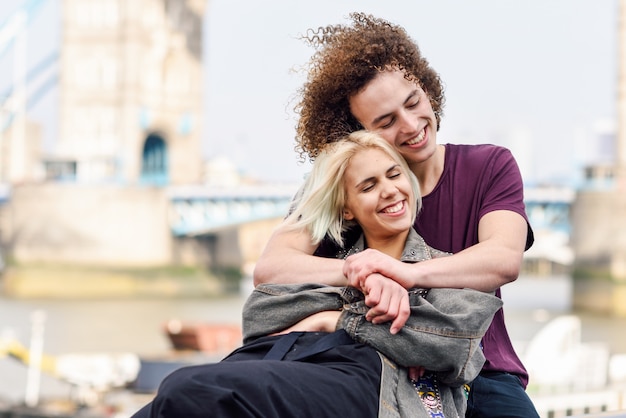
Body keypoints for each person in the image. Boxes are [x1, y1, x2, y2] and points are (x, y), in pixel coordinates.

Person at [253, 12, 539, 418]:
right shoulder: (340, 186)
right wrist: (364, 272)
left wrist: (402, 273)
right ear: (359, 132)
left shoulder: (489, 165)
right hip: (370, 361)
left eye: (413, 102)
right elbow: (272, 268)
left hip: (480, 370)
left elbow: (502, 259)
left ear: (426, 87)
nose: (411, 125)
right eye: (386, 121)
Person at [132, 131, 502, 418]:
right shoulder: (328, 263)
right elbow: (260, 317)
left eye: (394, 175)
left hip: (366, 374)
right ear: (347, 211)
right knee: (157, 408)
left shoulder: (441, 266)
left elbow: (457, 346)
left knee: (187, 387)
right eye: (369, 186)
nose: (390, 190)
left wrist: (336, 319)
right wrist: (358, 281)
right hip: (282, 359)